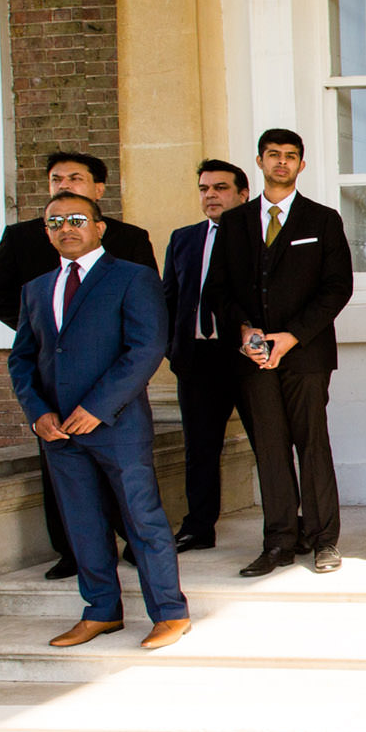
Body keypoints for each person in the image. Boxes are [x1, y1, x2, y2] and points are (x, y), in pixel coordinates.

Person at [8, 192, 191, 650]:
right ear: (46, 231)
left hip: (117, 426)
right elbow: (22, 359)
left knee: (142, 520)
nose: (66, 228)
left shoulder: (132, 278)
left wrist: (97, 407)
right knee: (82, 523)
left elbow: (147, 348)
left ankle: (169, 612)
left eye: (76, 219)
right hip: (58, 433)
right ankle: (102, 611)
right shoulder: (36, 289)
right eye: (55, 223)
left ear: (99, 226)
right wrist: (37, 415)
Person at [0, 152, 156, 582]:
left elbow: (150, 316)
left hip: (111, 379)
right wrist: (47, 336)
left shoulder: (128, 239)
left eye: (75, 178)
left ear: (98, 191)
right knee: (61, 476)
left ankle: (134, 545)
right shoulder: (23, 238)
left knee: (124, 476)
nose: (64, 184)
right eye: (56, 178)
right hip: (52, 383)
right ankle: (72, 553)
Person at [203, 128, 352, 577]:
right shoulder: (234, 223)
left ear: (301, 165)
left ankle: (324, 539)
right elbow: (218, 289)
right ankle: (279, 542)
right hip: (252, 357)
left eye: (290, 157)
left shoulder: (322, 220)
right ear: (260, 161)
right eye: (273, 155)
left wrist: (292, 336)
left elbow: (336, 288)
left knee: (312, 446)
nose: (282, 163)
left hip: (305, 355)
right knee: (269, 450)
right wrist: (246, 331)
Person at [161, 159, 252, 553]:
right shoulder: (183, 239)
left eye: (220, 187)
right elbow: (168, 298)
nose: (210, 195)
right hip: (196, 359)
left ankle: (286, 523)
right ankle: (199, 527)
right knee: (199, 448)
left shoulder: (255, 237)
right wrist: (173, 349)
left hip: (245, 358)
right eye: (204, 188)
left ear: (243, 194)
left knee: (269, 444)